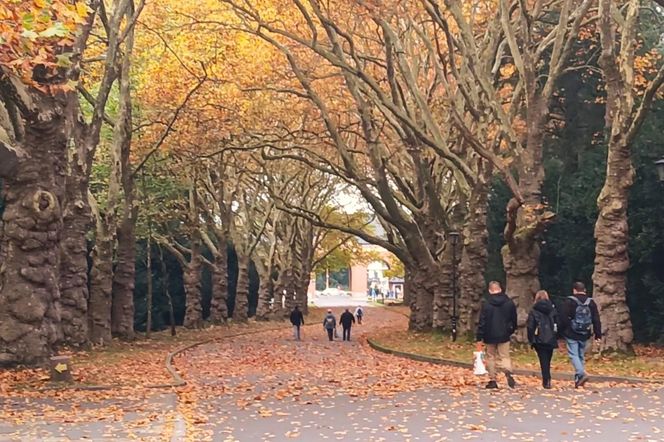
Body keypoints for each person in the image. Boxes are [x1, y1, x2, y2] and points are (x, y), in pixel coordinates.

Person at [476, 281, 518, 389]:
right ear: (500, 289)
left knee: (491, 357)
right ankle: (508, 371)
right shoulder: (509, 303)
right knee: (505, 356)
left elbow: (482, 321)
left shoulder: (487, 304)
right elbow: (514, 319)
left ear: (490, 290)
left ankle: (493, 380)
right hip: (504, 333)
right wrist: (511, 330)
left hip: (489, 334)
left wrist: (479, 336)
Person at [559, 281, 602, 388]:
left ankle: (581, 373)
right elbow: (596, 319)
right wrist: (598, 334)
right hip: (585, 333)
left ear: (574, 290)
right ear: (585, 290)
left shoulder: (570, 301)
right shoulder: (591, 302)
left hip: (571, 333)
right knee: (581, 355)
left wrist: (563, 330)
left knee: (573, 355)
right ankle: (578, 380)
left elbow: (563, 317)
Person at [526, 290, 559, 389]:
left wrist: (531, 338)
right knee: (548, 359)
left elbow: (530, 326)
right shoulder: (552, 309)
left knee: (543, 359)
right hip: (551, 337)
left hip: (539, 337)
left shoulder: (534, 310)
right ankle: (547, 378)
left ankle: (546, 379)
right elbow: (557, 322)